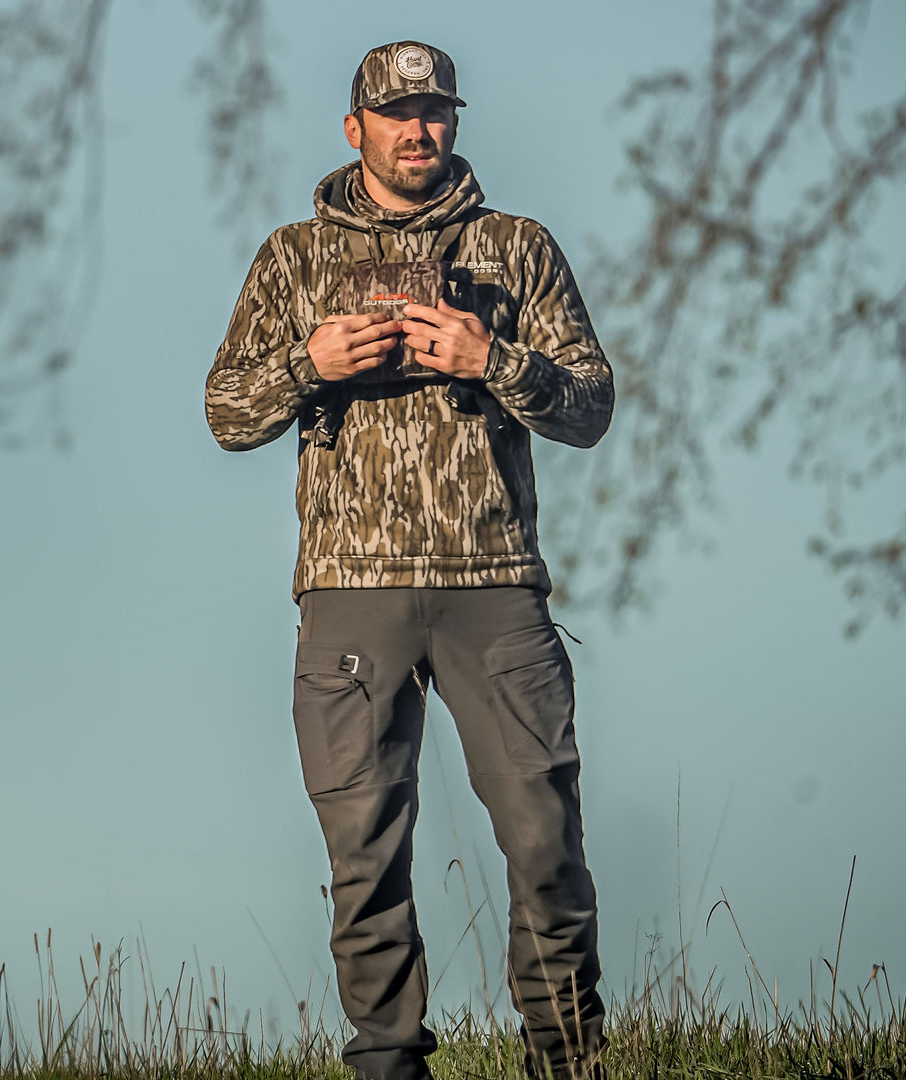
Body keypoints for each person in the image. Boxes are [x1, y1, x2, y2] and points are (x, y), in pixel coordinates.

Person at [206, 40, 613, 1080]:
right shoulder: (293, 257)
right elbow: (224, 412)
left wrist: (495, 361)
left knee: (545, 842)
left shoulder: (517, 248)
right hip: (349, 595)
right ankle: (388, 1068)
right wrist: (312, 364)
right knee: (365, 861)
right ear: (356, 129)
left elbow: (592, 405)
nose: (417, 129)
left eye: (434, 111)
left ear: (455, 123)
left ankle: (568, 1060)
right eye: (396, 114)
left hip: (496, 591)